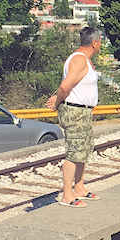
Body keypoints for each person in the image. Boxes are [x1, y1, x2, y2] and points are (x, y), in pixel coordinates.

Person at [46, 26, 102, 207]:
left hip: (83, 111)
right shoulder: (79, 60)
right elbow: (65, 86)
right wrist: (57, 102)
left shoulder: (84, 59)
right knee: (74, 151)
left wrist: (56, 97)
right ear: (95, 43)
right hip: (75, 112)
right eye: (100, 42)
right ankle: (67, 194)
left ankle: (79, 187)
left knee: (83, 150)